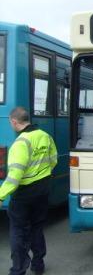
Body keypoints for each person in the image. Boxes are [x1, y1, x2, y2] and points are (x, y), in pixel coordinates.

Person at [0, 107, 57, 275]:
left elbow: (14, 177)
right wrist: (41, 174)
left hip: (24, 193)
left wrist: (1, 195)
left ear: (14, 122)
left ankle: (18, 270)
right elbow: (53, 160)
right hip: (43, 188)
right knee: (37, 227)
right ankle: (38, 264)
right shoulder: (45, 136)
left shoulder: (20, 143)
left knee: (18, 230)